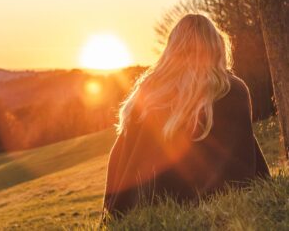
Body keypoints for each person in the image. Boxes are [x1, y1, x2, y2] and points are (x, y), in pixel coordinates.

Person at [102, 14, 271, 219]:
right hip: (205, 200)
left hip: (140, 204)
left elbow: (119, 157)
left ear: (172, 49)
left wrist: (114, 204)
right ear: (216, 46)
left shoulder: (148, 92)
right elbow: (241, 156)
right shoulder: (231, 89)